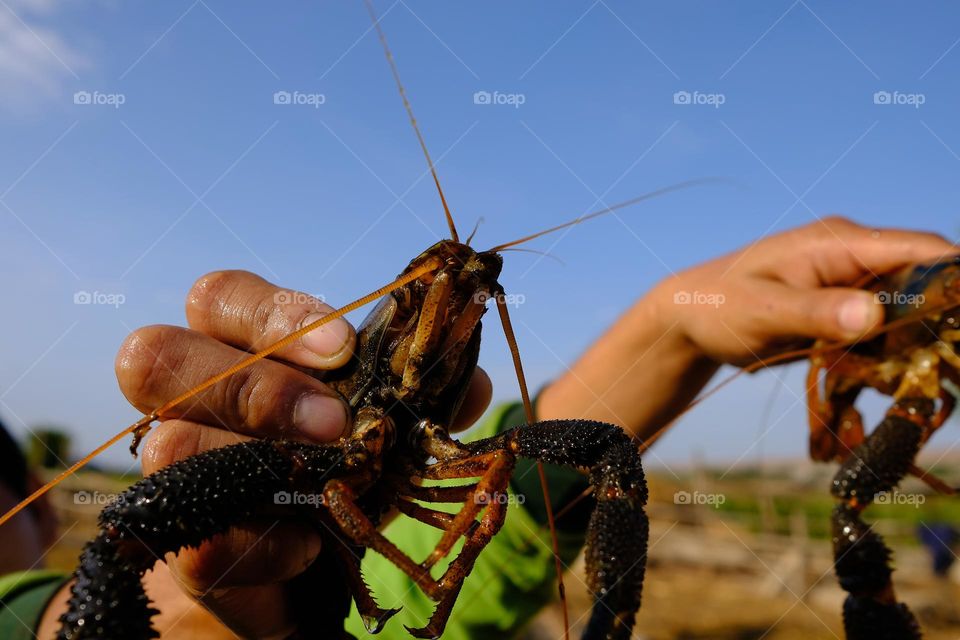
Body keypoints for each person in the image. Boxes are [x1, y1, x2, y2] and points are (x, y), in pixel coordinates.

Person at [3, 217, 951, 638]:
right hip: (319, 474)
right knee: (135, 525)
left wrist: (675, 318)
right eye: (434, 290)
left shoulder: (465, 446)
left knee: (602, 455)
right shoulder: (319, 416)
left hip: (387, 559)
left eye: (476, 289)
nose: (456, 302)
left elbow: (514, 492)